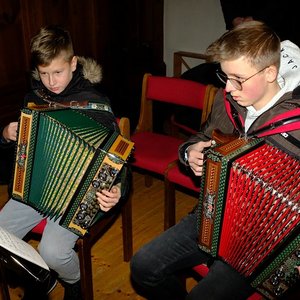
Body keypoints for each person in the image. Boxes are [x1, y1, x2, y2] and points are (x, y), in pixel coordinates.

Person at [130, 21, 300, 300]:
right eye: (225, 77)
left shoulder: (294, 121)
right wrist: (190, 152)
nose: (229, 88)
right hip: (214, 215)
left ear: (270, 72)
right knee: (144, 267)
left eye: (238, 79)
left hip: (264, 241)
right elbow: (202, 135)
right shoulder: (228, 101)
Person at [0, 25, 130, 300]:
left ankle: (75, 281)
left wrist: (117, 189)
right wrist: (7, 135)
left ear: (73, 63)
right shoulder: (34, 98)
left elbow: (118, 157)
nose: (51, 81)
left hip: (81, 194)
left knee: (53, 252)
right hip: (38, 187)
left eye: (57, 72)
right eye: (43, 73)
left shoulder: (95, 104)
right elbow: (23, 152)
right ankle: (35, 278)